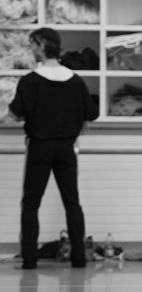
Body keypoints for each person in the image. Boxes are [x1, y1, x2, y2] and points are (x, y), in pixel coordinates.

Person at [9, 28, 99, 269]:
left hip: (39, 147)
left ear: (41, 45)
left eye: (32, 44)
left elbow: (15, 114)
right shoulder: (75, 81)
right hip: (66, 148)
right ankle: (78, 257)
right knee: (72, 202)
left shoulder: (30, 81)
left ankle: (29, 258)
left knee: (31, 203)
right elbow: (92, 113)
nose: (31, 49)